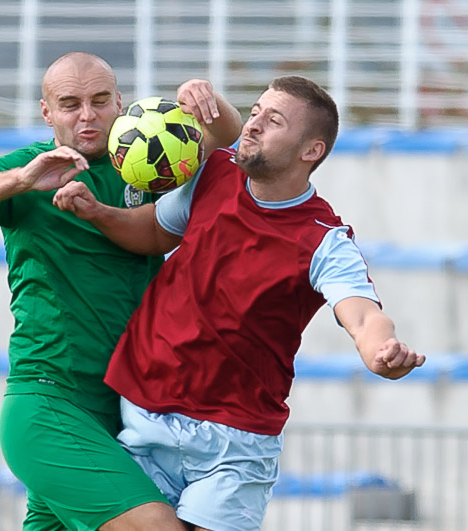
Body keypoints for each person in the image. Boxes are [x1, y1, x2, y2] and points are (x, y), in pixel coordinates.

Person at [53, 75, 427, 531]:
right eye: (254, 113)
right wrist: (98, 212)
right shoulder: (213, 174)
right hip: (145, 413)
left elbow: (364, 314)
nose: (252, 126)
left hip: (235, 440)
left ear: (311, 151)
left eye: (273, 121)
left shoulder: (324, 240)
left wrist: (380, 350)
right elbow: (153, 231)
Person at [0, 51, 242, 530]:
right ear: (47, 112)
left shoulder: (148, 160)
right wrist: (22, 180)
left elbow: (226, 137)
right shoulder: (29, 171)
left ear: (119, 102)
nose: (87, 115)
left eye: (100, 101)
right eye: (70, 104)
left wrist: (205, 97)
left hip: (127, 407)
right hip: (51, 399)